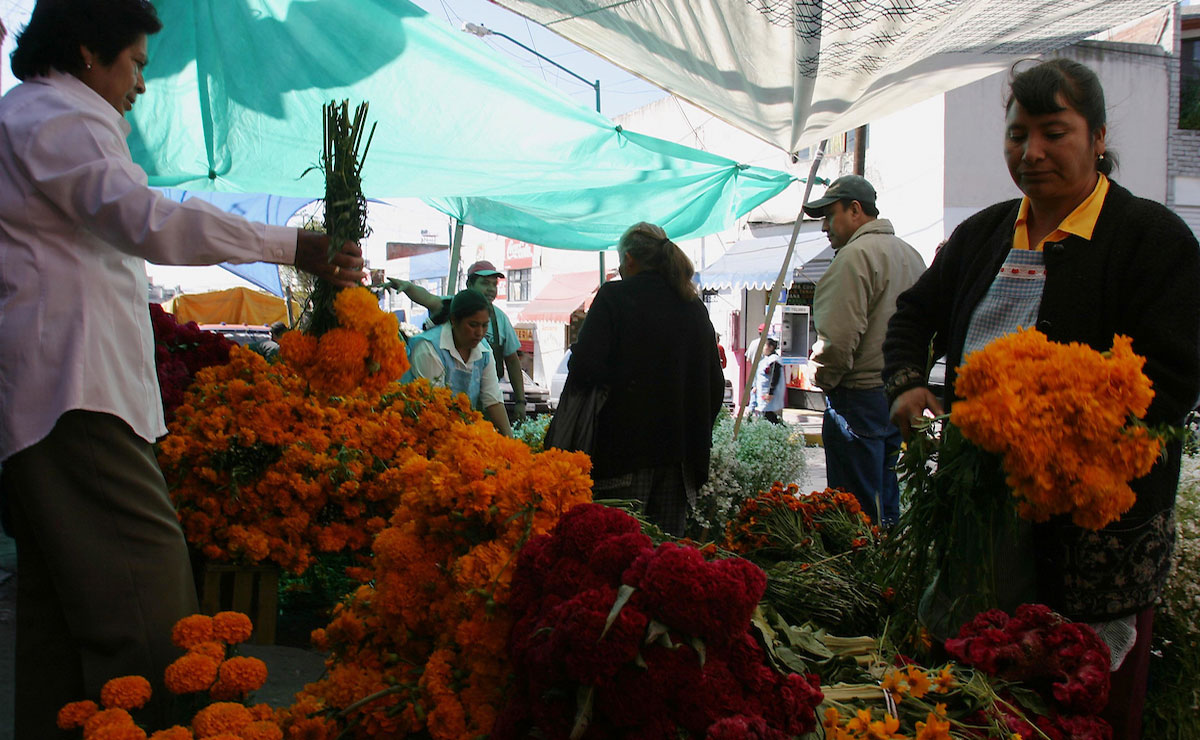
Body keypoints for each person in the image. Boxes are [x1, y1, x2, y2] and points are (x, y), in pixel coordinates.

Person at [0, 3, 366, 736]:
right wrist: (291, 244)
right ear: (85, 52)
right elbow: (146, 218)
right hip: (77, 399)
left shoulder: (26, 116)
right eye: (134, 61)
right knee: (151, 611)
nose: (140, 83)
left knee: (60, 617)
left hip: (47, 400)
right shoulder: (60, 115)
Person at [882, 58, 1200, 739]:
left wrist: (1068, 445)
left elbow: (1173, 377)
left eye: (1054, 132)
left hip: (1094, 524)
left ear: (1098, 136)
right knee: (980, 676)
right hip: (981, 504)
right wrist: (908, 382)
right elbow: (915, 315)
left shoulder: (1151, 239)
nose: (1031, 153)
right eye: (1017, 134)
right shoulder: (983, 234)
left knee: (1082, 698)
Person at [567, 222, 724, 536]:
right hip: (679, 463)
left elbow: (585, 367)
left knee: (619, 552)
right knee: (663, 564)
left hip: (623, 455)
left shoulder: (614, 297)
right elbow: (715, 386)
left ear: (628, 260)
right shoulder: (692, 306)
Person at [802, 175, 925, 526]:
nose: (825, 226)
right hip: (898, 394)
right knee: (886, 503)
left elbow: (837, 342)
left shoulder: (853, 257)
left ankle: (863, 578)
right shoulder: (910, 254)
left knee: (854, 516)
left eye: (829, 215)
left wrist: (821, 377)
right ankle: (888, 575)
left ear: (855, 210)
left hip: (859, 397)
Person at [402, 290, 513, 437]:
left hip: (459, 432)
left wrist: (509, 439)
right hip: (420, 431)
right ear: (454, 320)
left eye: (484, 325)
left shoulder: (484, 351)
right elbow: (434, 407)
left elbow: (493, 400)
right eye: (473, 325)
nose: (480, 332)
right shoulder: (428, 347)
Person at [464, 260, 526, 423]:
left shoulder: (500, 319)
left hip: (487, 401)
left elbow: (512, 361)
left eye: (494, 284)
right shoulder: (454, 310)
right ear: (469, 284)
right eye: (485, 283)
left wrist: (520, 401)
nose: (491, 289)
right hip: (454, 398)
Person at [756, 338, 785, 424]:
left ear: (771, 347)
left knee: (769, 416)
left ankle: (780, 432)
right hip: (764, 392)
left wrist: (770, 392)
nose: (762, 349)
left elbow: (774, 376)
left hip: (769, 393)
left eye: (764, 346)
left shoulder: (774, 360)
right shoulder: (766, 359)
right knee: (766, 415)